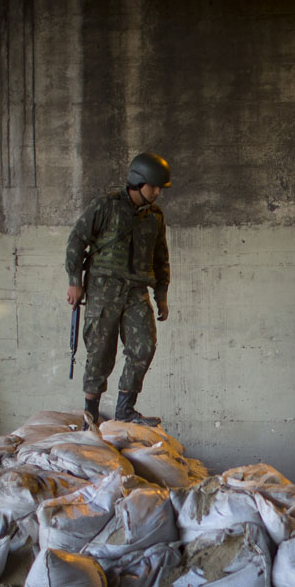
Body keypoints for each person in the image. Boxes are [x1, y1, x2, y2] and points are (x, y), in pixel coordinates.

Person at [65, 152, 172, 427]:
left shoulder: (155, 217)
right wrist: (75, 281)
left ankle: (125, 409)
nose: (158, 192)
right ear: (138, 182)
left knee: (144, 348)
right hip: (104, 291)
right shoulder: (105, 206)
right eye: (154, 186)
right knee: (100, 353)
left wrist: (161, 296)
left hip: (137, 293)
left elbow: (161, 258)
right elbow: (77, 240)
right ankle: (91, 415)